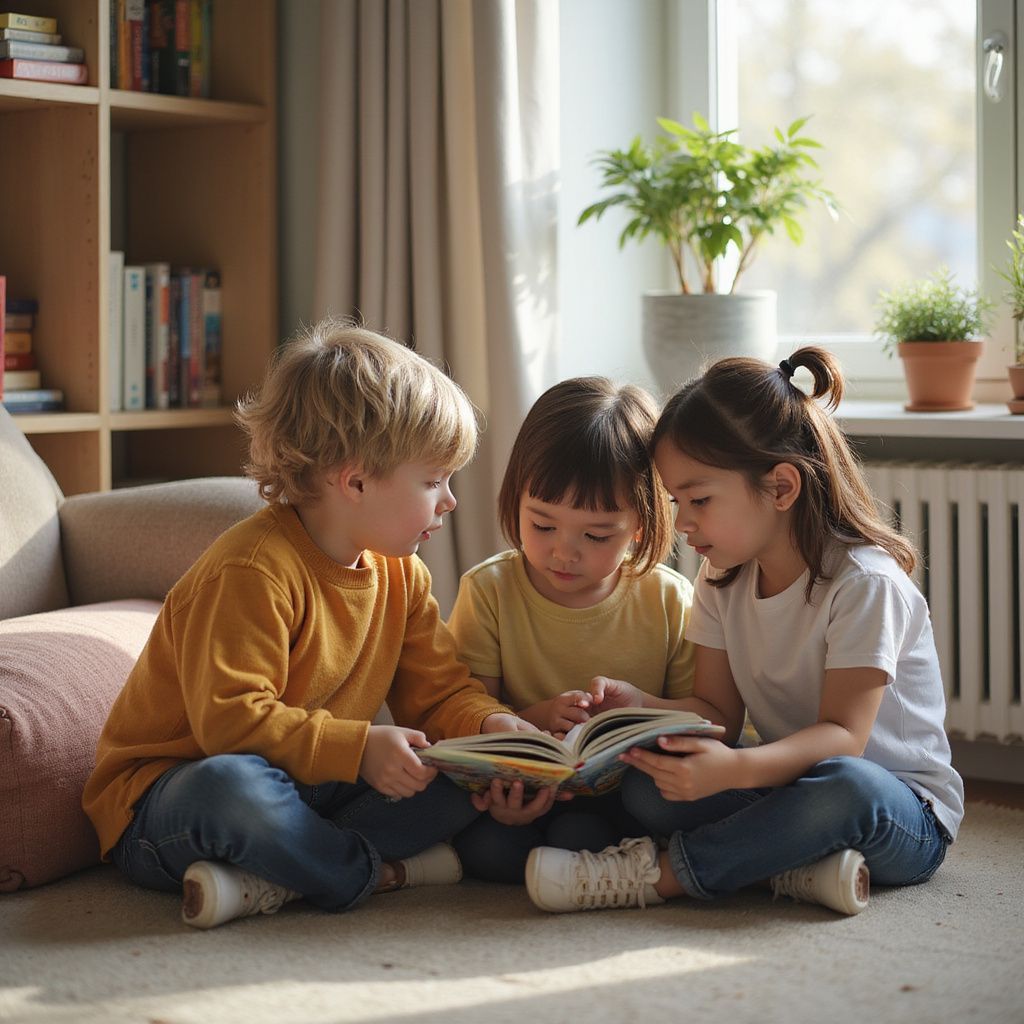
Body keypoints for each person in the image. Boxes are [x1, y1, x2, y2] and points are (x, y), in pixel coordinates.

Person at [82, 319, 531, 930]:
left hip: (311, 787)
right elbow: (230, 724)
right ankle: (372, 871)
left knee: (458, 772)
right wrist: (359, 748)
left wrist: (492, 729)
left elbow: (440, 693)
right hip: (170, 800)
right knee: (232, 788)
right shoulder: (253, 569)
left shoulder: (403, 575)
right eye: (433, 481)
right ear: (354, 481)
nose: (449, 501)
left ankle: (282, 875)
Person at [525, 348, 963, 916]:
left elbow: (842, 738)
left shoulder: (863, 583)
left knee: (848, 783)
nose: (682, 522)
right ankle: (791, 868)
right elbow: (718, 714)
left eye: (699, 499)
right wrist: (642, 708)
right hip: (787, 789)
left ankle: (658, 877)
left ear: (781, 488)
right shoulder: (722, 579)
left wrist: (735, 768)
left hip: (897, 812)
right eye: (676, 501)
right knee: (649, 785)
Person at [446, 376, 696, 883]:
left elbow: (701, 718)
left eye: (597, 535)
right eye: (542, 525)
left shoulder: (669, 598)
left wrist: (637, 710)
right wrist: (540, 719)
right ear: (515, 500)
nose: (564, 551)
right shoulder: (489, 591)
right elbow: (465, 714)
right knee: (488, 846)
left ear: (642, 526)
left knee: (605, 826)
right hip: (525, 790)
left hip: (631, 789)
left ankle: (598, 861)